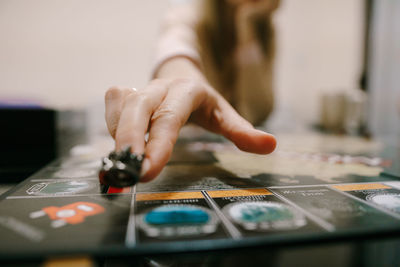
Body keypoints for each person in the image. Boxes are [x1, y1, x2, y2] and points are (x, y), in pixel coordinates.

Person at [104, 0, 279, 182]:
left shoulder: (265, 29)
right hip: (190, 149)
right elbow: (175, 46)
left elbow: (260, 109)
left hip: (236, 152)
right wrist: (181, 78)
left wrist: (245, 27)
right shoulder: (185, 15)